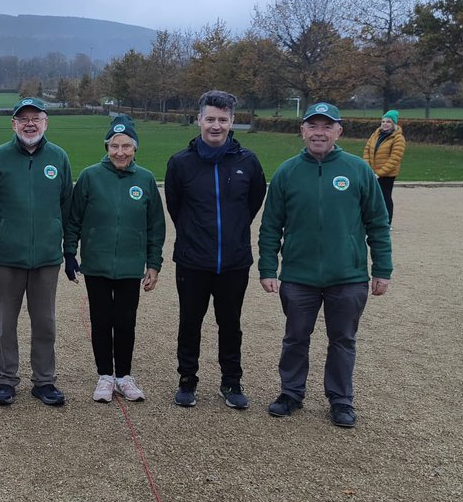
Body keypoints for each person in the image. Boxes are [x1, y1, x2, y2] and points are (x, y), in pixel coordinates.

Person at [258, 102, 393, 429]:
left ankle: (341, 400)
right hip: (298, 276)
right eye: (313, 126)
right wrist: (267, 268)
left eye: (326, 126)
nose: (319, 133)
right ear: (303, 130)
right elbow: (271, 226)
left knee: (343, 340)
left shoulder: (358, 170)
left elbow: (377, 222)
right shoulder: (287, 172)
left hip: (347, 276)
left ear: (338, 131)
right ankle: (291, 393)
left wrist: (383, 269)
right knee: (295, 338)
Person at [164, 90, 267, 409]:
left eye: (223, 120)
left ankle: (231, 382)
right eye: (210, 119)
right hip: (193, 260)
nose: (216, 126)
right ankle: (187, 381)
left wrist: (233, 234)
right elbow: (175, 206)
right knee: (189, 322)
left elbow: (253, 202)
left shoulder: (247, 161)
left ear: (232, 121)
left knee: (231, 324)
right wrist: (196, 236)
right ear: (199, 120)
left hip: (234, 261)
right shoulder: (181, 163)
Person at [0, 97, 73, 406]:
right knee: (6, 322)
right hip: (7, 257)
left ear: (46, 123)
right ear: (13, 124)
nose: (29, 123)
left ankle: (44, 381)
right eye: (23, 118)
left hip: (46, 257)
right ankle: (6, 380)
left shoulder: (58, 157)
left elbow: (67, 205)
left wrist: (60, 242)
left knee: (44, 322)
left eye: (36, 118)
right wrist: (2, 233)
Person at [63, 115, 165, 403]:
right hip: (96, 264)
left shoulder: (144, 179)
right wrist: (69, 252)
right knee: (101, 320)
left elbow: (155, 226)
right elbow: (73, 219)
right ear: (107, 147)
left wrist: (153, 264)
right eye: (114, 146)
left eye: (126, 146)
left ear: (135, 149)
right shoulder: (90, 176)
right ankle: (105, 375)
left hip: (130, 267)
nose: (120, 152)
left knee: (125, 322)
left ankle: (124, 376)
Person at [363, 110, 405, 224]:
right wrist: (367, 166)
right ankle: (373, 220)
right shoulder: (376, 134)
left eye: (388, 122)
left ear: (394, 124)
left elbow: (395, 158)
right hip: (372, 172)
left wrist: (380, 173)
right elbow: (367, 149)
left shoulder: (398, 138)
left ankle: (387, 221)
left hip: (387, 174)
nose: (385, 124)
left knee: (385, 197)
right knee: (371, 197)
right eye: (383, 121)